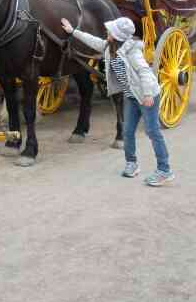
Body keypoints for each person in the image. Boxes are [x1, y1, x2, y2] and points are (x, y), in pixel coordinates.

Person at [60, 15, 175, 186]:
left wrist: (148, 95)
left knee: (152, 132)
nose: (107, 31)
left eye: (110, 31)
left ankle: (165, 170)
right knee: (127, 131)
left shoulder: (132, 52)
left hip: (146, 95)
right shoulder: (110, 46)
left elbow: (145, 72)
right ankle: (131, 163)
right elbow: (92, 41)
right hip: (131, 96)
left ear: (117, 35)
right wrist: (72, 31)